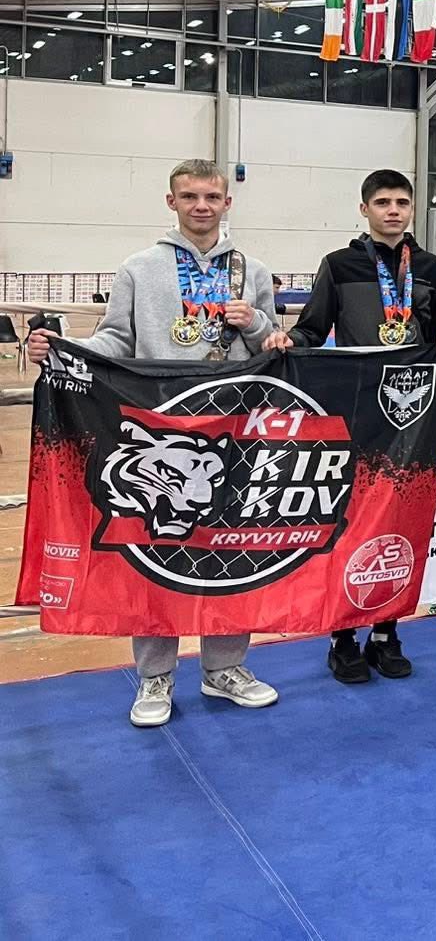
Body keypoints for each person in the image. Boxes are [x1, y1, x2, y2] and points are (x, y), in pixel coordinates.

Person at [26, 159, 280, 728]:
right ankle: (155, 675)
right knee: (153, 554)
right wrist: (64, 350)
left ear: (227, 202)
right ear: (172, 202)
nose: (201, 206)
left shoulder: (253, 270)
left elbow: (273, 347)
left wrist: (255, 324)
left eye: (211, 196)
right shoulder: (139, 268)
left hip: (232, 434)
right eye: (189, 196)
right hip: (159, 433)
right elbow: (116, 338)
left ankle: (225, 668)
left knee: (230, 552)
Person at [269, 169, 436, 685]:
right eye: (383, 202)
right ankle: (341, 636)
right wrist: (291, 341)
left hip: (413, 413)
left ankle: (385, 631)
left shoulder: (429, 267)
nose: (393, 210)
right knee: (350, 520)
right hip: (356, 410)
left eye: (402, 202)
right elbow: (313, 327)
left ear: (412, 208)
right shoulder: (339, 264)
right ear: (365, 210)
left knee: (399, 520)